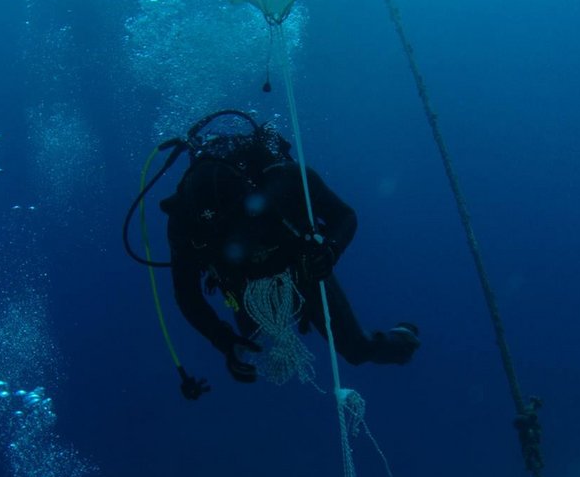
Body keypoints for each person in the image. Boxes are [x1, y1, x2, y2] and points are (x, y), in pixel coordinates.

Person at [159, 117, 421, 385]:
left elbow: (344, 216)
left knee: (356, 348)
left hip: (303, 269)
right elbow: (187, 295)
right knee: (256, 347)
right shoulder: (184, 222)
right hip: (245, 289)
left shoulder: (285, 180)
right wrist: (224, 341)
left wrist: (330, 251)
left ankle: (403, 341)